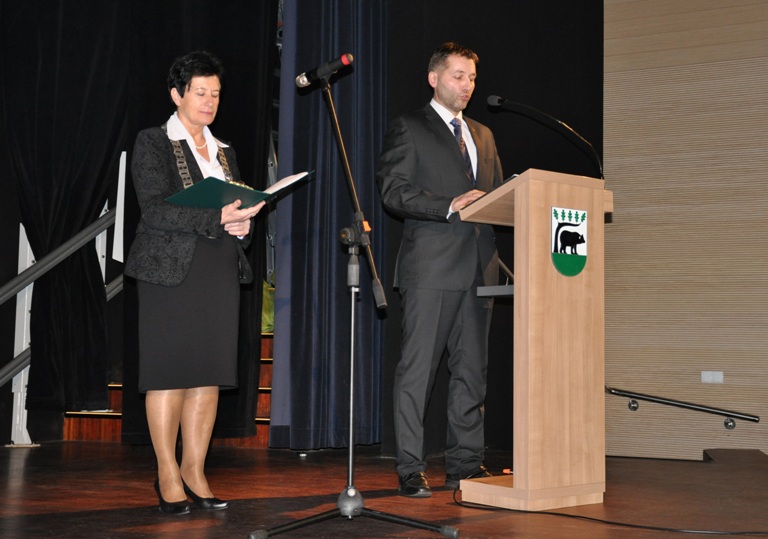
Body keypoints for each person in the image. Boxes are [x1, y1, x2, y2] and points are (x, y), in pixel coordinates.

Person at [125, 50, 265, 515]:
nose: (209, 101)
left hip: (218, 268)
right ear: (176, 95)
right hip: (169, 270)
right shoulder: (153, 141)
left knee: (208, 375)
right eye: (200, 92)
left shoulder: (225, 151)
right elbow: (155, 209)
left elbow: (234, 210)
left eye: (215, 94)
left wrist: (242, 225)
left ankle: (195, 470)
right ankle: (167, 473)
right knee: (169, 374)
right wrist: (216, 217)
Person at [376, 42, 504, 497]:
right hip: (430, 268)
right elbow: (393, 190)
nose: (467, 85)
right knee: (418, 372)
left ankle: (465, 464)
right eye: (458, 76)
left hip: (480, 269)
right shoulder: (410, 128)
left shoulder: (483, 135)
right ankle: (410, 467)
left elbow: (497, 196)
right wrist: (448, 204)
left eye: (472, 78)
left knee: (472, 372)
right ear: (434, 78)